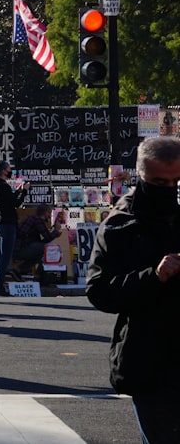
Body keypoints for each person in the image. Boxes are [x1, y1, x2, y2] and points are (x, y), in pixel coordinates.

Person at [88, 136, 180, 443]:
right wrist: (154, 276)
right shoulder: (121, 223)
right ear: (140, 175)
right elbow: (99, 289)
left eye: (175, 181)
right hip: (150, 357)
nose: (169, 188)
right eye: (159, 181)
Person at [0, 160, 30, 297]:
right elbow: (15, 203)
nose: (10, 171)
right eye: (8, 169)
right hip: (7, 225)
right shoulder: (3, 186)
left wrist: (18, 190)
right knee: (5, 258)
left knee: (0, 258)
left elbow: (9, 199)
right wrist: (24, 191)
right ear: (3, 171)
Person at [13, 203, 61, 280]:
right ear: (45, 213)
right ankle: (39, 276)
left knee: (41, 252)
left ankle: (18, 269)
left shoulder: (33, 219)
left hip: (18, 248)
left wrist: (54, 232)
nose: (49, 216)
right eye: (49, 213)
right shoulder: (37, 220)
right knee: (47, 249)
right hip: (20, 249)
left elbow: (43, 241)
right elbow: (47, 238)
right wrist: (56, 230)